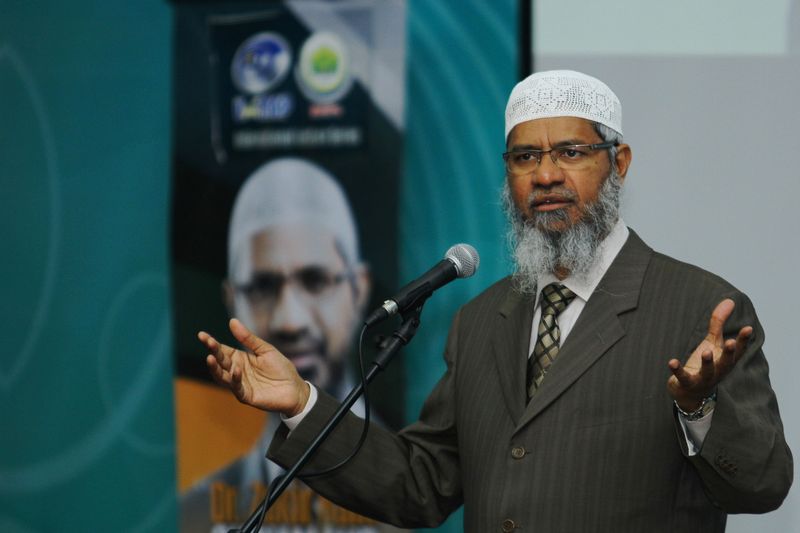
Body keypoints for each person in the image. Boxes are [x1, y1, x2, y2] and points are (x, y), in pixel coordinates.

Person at [198, 71, 793, 532]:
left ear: (619, 163)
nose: (546, 175)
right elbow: (419, 484)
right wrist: (301, 404)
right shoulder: (481, 320)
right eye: (525, 157)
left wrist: (698, 408)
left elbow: (763, 484)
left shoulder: (701, 309)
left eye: (571, 152)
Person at [182, 157, 394, 532]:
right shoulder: (198, 513)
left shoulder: (406, 487)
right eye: (262, 287)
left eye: (315, 280)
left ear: (359, 289)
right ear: (232, 300)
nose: (290, 321)